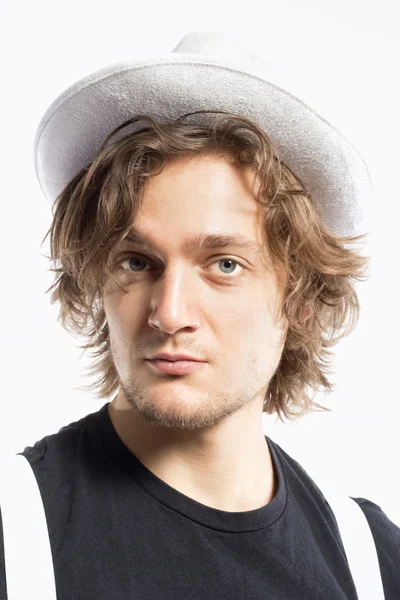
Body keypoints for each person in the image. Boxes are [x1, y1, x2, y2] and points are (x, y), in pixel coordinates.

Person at [1, 32, 399, 599]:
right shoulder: (15, 532)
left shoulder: (373, 562)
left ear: (303, 299)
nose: (169, 313)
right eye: (138, 262)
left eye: (225, 264)